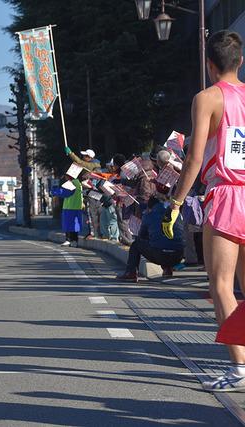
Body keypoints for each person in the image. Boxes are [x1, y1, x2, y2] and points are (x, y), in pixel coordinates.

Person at [162, 30, 245, 392]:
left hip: (226, 195)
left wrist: (177, 203)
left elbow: (195, 157)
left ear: (210, 66)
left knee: (222, 285)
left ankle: (240, 367)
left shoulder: (207, 98)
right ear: (240, 61)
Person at [118, 197, 184, 282]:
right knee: (167, 242)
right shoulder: (176, 214)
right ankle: (167, 269)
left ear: (149, 207)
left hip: (159, 255)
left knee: (136, 244)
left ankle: (131, 272)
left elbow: (142, 236)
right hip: (178, 256)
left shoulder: (148, 215)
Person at [51, 175, 83, 247]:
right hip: (77, 206)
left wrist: (54, 190)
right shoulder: (78, 183)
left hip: (69, 207)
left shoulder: (71, 183)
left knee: (68, 224)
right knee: (75, 225)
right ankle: (74, 240)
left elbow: (63, 193)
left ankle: (69, 240)